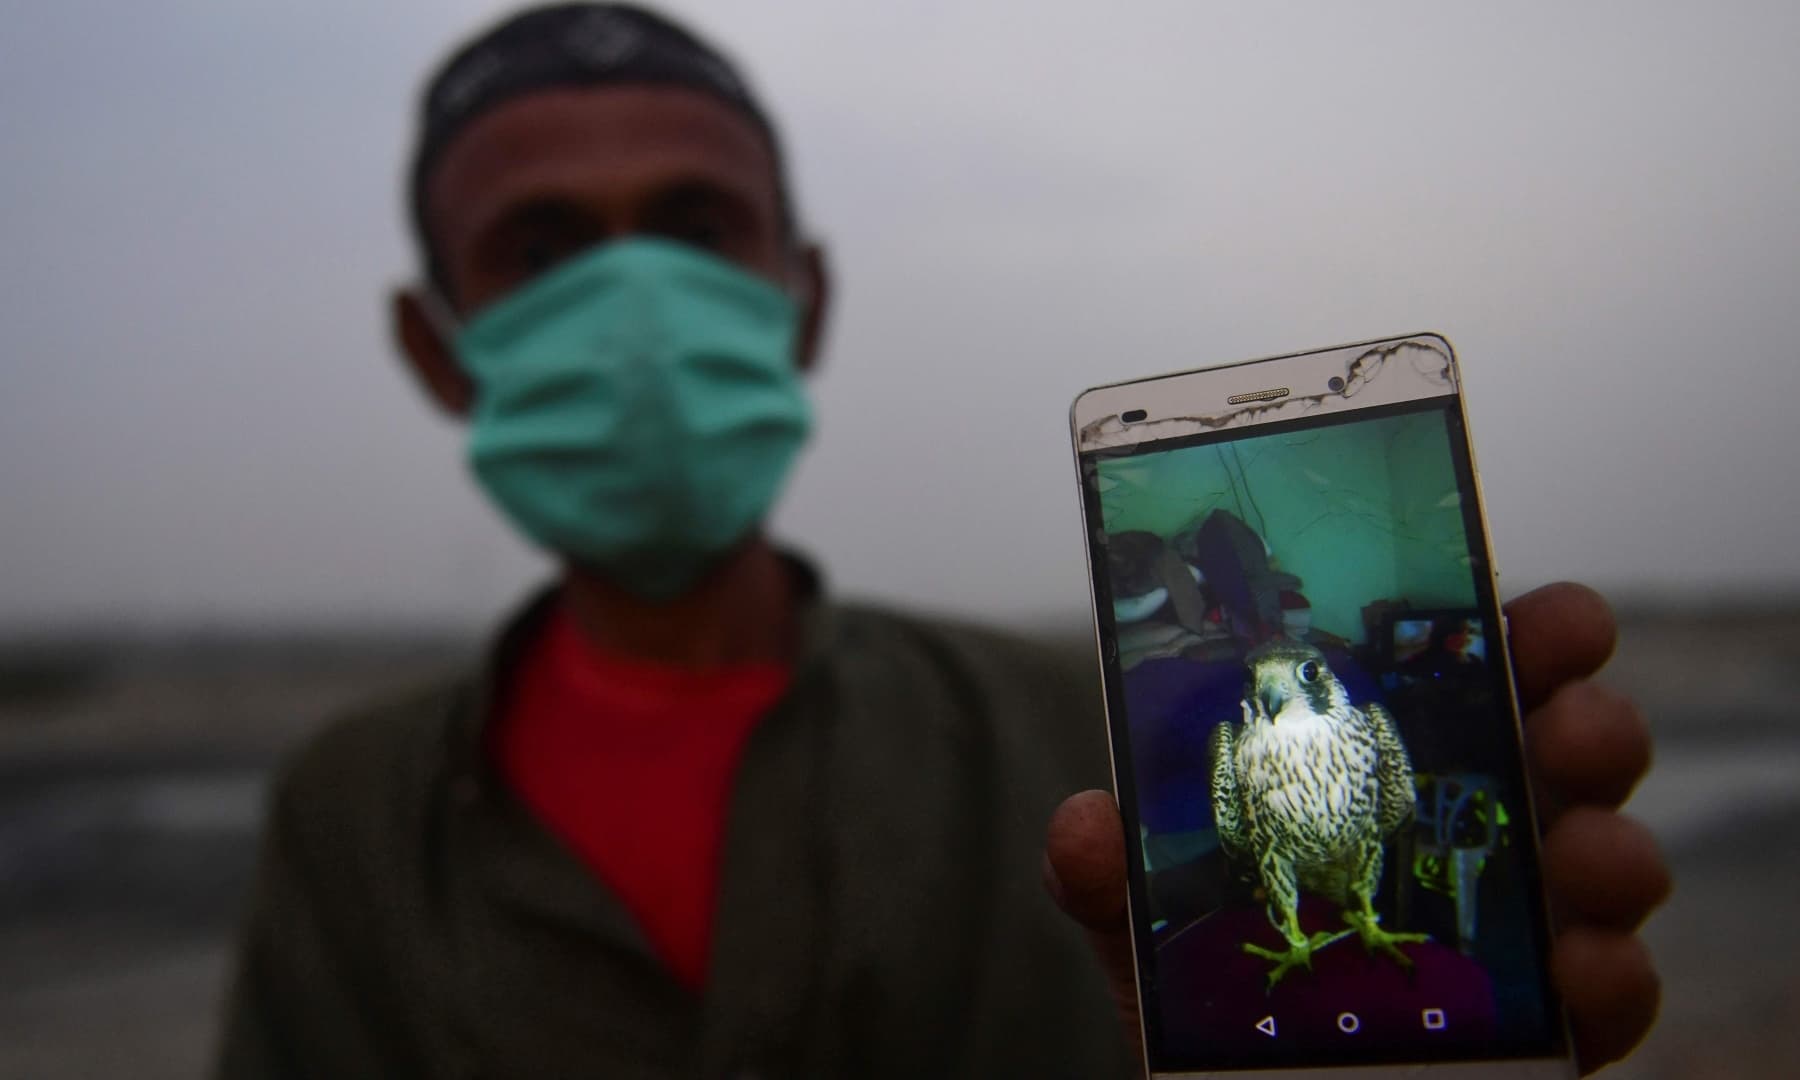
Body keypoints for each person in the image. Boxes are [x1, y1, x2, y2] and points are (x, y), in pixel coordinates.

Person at [215, 5, 1668, 1077]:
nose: (635, 310)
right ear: (435, 345)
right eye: (539, 249)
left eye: (696, 225)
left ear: (805, 295)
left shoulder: (1075, 733)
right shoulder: (347, 817)